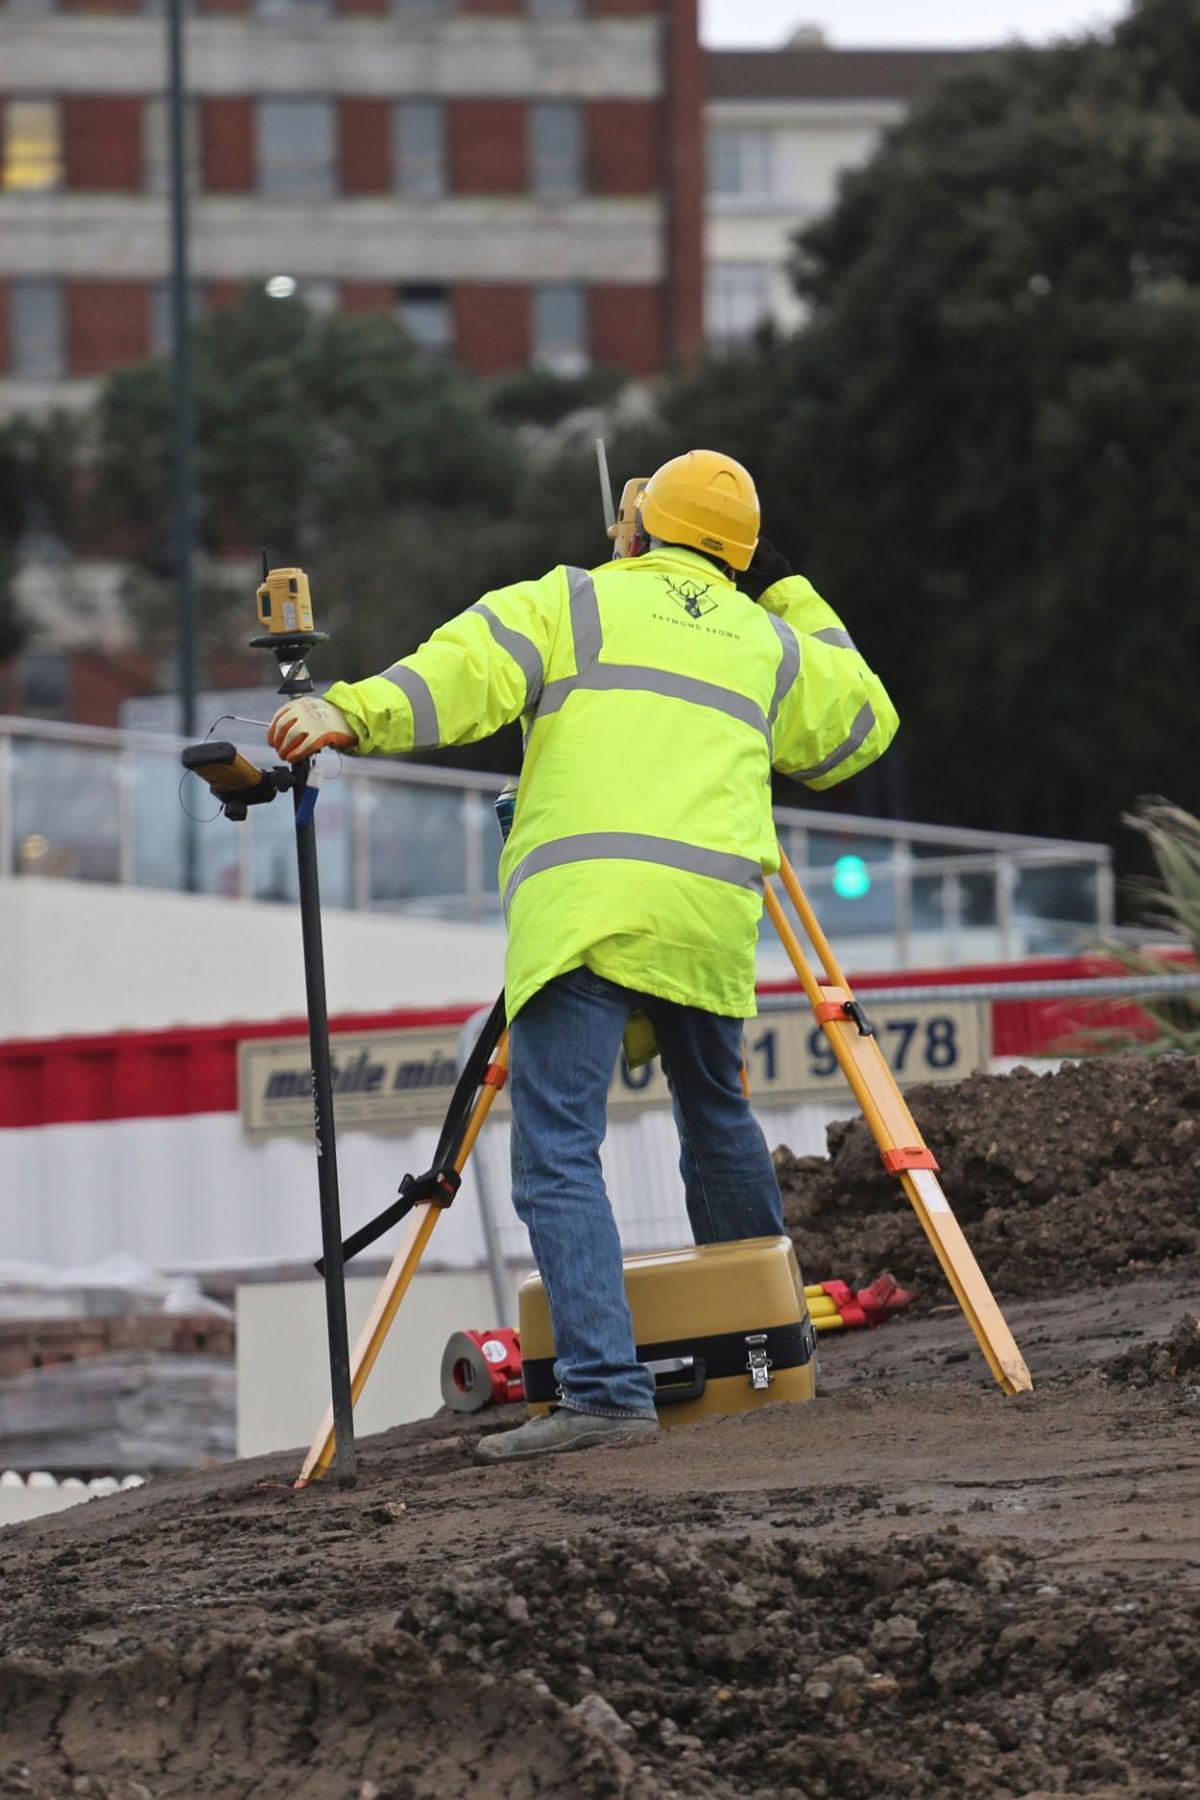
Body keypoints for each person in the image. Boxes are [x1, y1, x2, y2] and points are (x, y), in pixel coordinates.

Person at [267, 450, 898, 1464]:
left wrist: (350, 712)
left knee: (560, 1143)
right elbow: (862, 721)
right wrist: (784, 585)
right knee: (716, 1116)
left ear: (640, 528)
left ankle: (605, 1393)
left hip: (587, 912)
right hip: (706, 916)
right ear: (739, 556)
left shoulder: (574, 602)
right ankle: (765, 1352)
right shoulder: (767, 639)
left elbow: (460, 672)